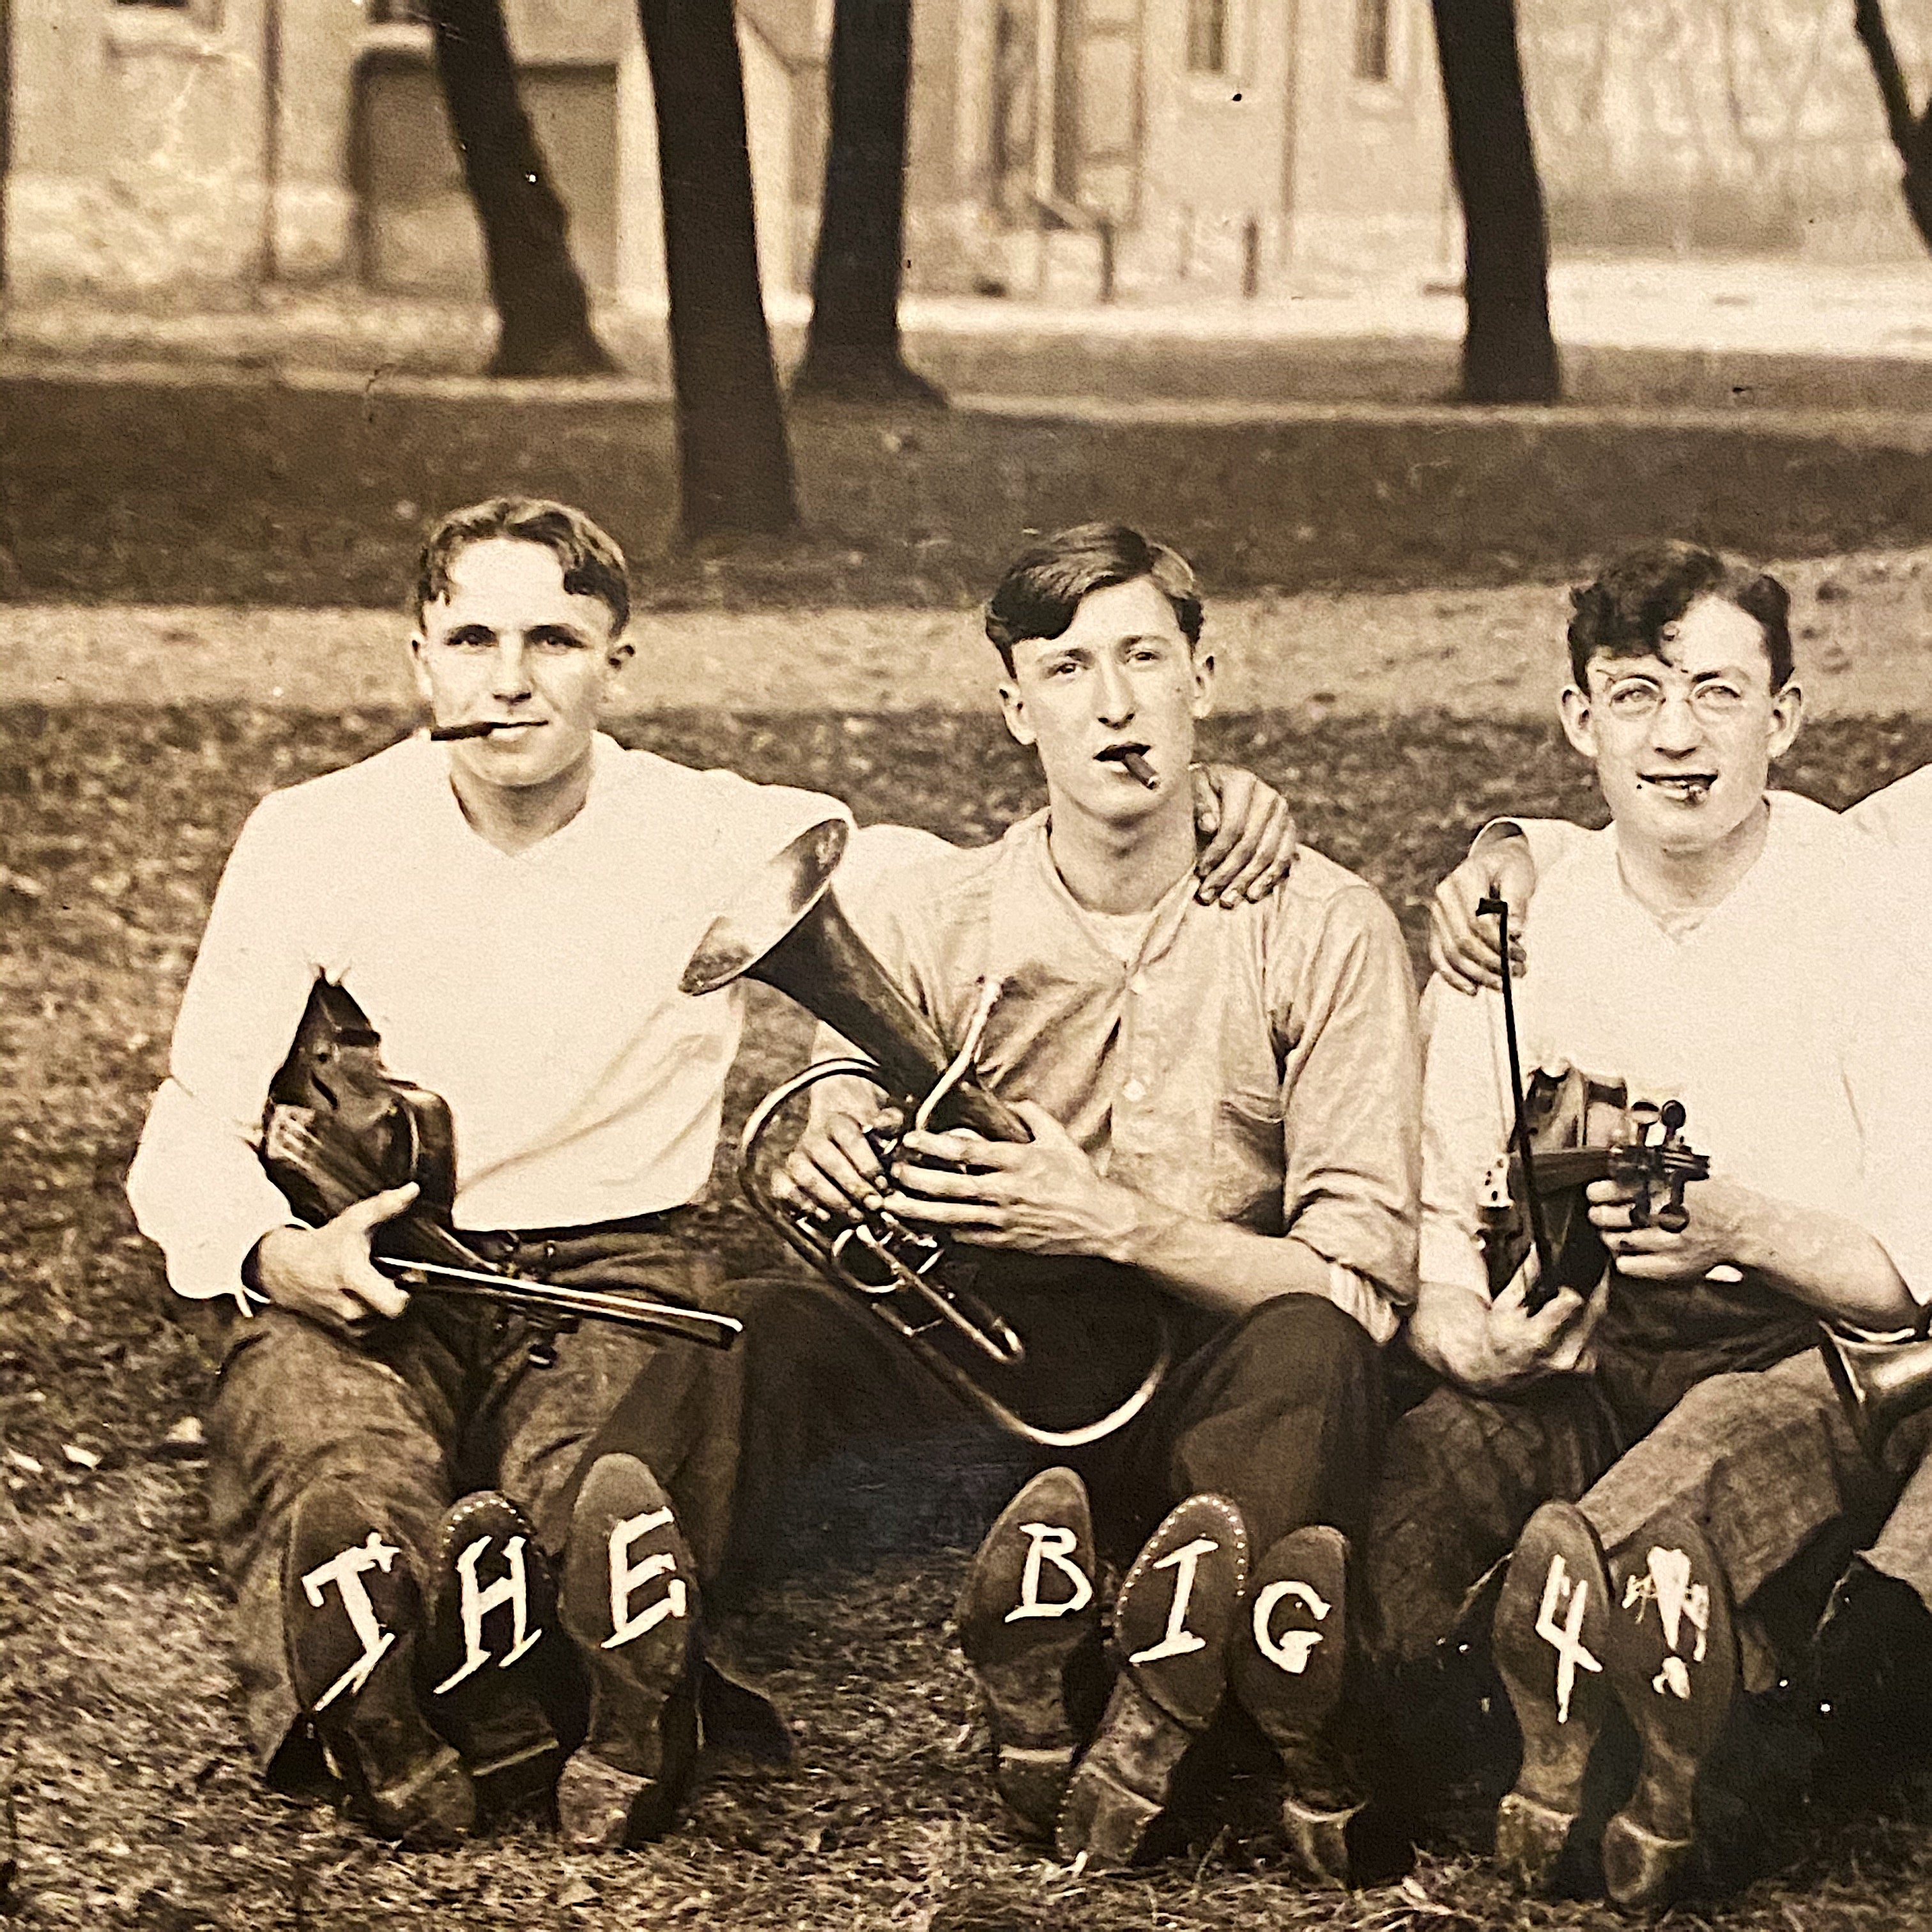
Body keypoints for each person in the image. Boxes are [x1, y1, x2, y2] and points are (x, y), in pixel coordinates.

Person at [125, 497, 1301, 1851]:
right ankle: (381, 1689)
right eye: (474, 639)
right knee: (326, 1447)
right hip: (373, 1261)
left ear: (618, 664)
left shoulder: (707, 825)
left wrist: (1194, 796)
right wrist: (280, 1258)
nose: (511, 679)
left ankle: (539, 1678)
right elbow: (192, 1113)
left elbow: (976, 873)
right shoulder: (313, 832)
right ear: (419, 659)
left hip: (624, 1277)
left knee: (611, 1502)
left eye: (556, 641)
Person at [562, 523, 1422, 1883]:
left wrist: (1114, 1221)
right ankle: (616, 1661)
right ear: (1015, 707)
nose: (1118, 703)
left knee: (1314, 1354)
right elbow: (839, 1096)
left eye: (1147, 657)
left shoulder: (1326, 924)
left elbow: (1358, 1279)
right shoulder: (933, 912)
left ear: (1207, 674)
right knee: (749, 1330)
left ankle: (1151, 1708)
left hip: (1208, 1357)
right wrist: (832, 1137)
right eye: (1069, 669)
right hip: (985, 1375)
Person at [1363, 540, 1932, 1908]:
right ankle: (1617, 1735)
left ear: (1784, 719)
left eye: (1719, 695)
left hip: (1801, 1360)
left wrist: (1742, 1222)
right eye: (1634, 696)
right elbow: (1447, 1214)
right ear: (1579, 721)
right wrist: (1466, 1333)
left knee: (1707, 1469)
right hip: (1583, 1345)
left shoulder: (1873, 912)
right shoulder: (1521, 917)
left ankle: (1591, 1721)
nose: (1676, 739)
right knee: (1417, 1508)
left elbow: (1910, 1276)